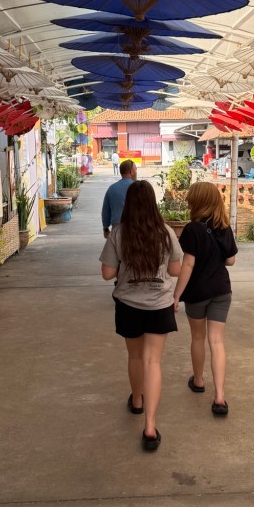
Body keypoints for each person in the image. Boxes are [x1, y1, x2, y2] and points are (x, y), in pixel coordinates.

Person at [100, 179, 182, 451]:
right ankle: (150, 427)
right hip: (159, 305)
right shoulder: (166, 232)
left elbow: (107, 274)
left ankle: (137, 400)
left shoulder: (119, 233)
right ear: (152, 203)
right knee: (153, 362)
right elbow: (175, 270)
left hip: (129, 305)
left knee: (135, 356)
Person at [173, 181, 238, 417]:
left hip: (197, 293)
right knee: (217, 342)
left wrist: (176, 294)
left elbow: (188, 264)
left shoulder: (192, 230)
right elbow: (231, 261)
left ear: (196, 201)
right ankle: (220, 397)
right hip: (221, 291)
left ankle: (199, 381)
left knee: (198, 338)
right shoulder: (224, 227)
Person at [101, 158, 136, 239]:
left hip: (117, 231)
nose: (136, 172)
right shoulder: (138, 188)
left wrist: (105, 228)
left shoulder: (112, 188)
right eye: (135, 170)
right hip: (136, 229)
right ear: (131, 172)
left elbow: (105, 211)